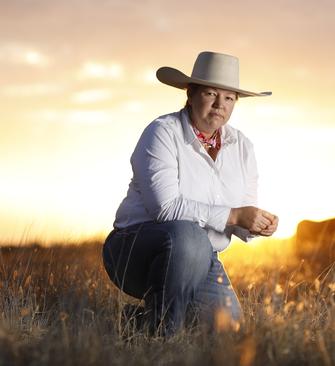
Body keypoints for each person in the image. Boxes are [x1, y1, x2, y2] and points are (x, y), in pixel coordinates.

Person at [102, 51, 279, 336]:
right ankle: (163, 337)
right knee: (189, 236)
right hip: (134, 249)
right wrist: (234, 214)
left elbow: (242, 214)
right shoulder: (162, 132)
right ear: (191, 93)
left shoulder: (243, 146)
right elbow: (167, 209)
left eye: (229, 98)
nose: (220, 104)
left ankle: (136, 322)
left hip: (202, 257)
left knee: (227, 331)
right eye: (211, 93)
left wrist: (257, 223)